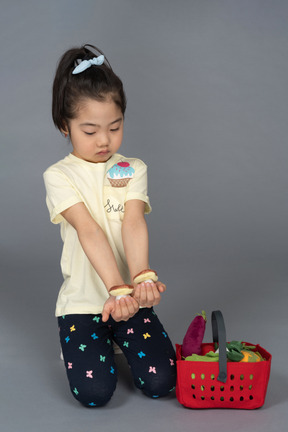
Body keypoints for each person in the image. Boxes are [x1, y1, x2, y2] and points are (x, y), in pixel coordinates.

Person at [43, 44, 176, 407]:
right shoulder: (59, 176)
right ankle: (93, 339)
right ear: (64, 126)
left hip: (129, 301)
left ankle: (120, 336)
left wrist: (141, 280)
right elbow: (89, 231)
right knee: (94, 394)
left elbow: (132, 223)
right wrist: (115, 289)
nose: (104, 140)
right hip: (84, 303)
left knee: (162, 382)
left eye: (114, 127)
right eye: (90, 130)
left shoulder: (132, 168)